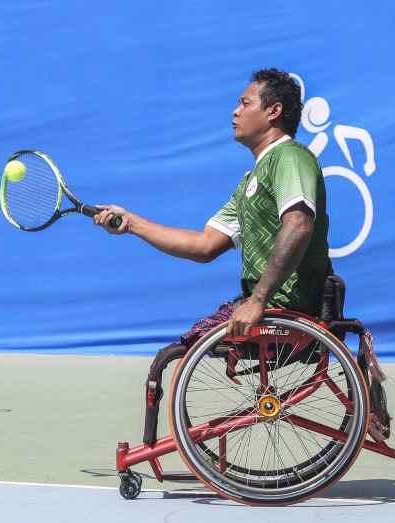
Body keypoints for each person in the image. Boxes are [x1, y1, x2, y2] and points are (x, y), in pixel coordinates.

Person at [93, 68, 332, 446]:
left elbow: (299, 224)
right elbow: (204, 245)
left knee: (172, 356)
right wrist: (133, 223)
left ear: (274, 111)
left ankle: (161, 449)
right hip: (271, 305)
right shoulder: (251, 179)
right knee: (173, 352)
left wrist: (258, 299)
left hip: (286, 309)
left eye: (244, 103)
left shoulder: (290, 156)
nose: (235, 112)